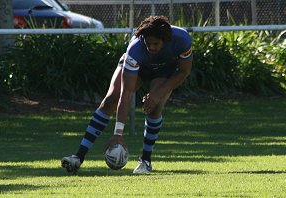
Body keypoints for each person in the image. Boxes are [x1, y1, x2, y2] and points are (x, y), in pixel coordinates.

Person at [61, 15, 193, 174]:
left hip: (164, 70)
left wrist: (157, 94)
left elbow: (184, 72)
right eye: (148, 43)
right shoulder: (135, 49)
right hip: (138, 67)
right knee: (110, 100)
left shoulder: (182, 39)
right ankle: (78, 157)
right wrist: (118, 134)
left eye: (155, 44)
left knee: (155, 106)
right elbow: (126, 93)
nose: (151, 47)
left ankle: (145, 161)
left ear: (165, 40)